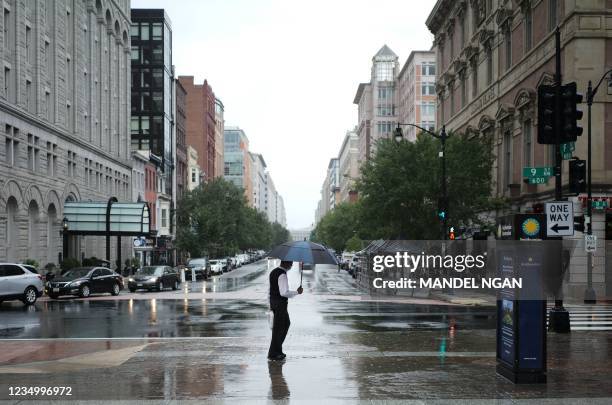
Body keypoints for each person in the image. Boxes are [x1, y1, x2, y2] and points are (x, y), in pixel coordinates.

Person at [268, 260, 303, 361]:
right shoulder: (282, 275)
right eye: (290, 264)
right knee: (279, 328)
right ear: (285, 263)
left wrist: (270, 304)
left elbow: (270, 290)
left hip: (275, 303)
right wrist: (297, 292)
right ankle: (274, 353)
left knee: (285, 324)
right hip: (280, 305)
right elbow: (284, 292)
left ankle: (277, 350)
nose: (292, 265)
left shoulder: (273, 272)